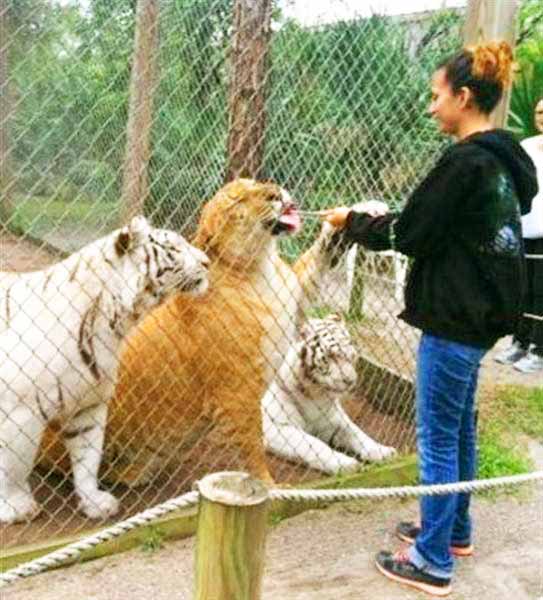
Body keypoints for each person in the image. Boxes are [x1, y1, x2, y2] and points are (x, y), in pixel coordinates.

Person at [324, 41, 538, 597]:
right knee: (460, 428)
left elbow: (410, 234)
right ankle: (453, 529)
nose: (430, 107)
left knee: (439, 438)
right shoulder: (504, 160)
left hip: (452, 320)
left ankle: (432, 559)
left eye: (436, 95)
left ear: (463, 97)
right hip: (481, 321)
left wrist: (355, 222)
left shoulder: (464, 162)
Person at [494, 97, 543, 373]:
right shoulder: (525, 147)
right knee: (522, 288)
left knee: (541, 291)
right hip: (525, 226)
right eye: (539, 111)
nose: (542, 116)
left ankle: (539, 348)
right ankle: (520, 342)